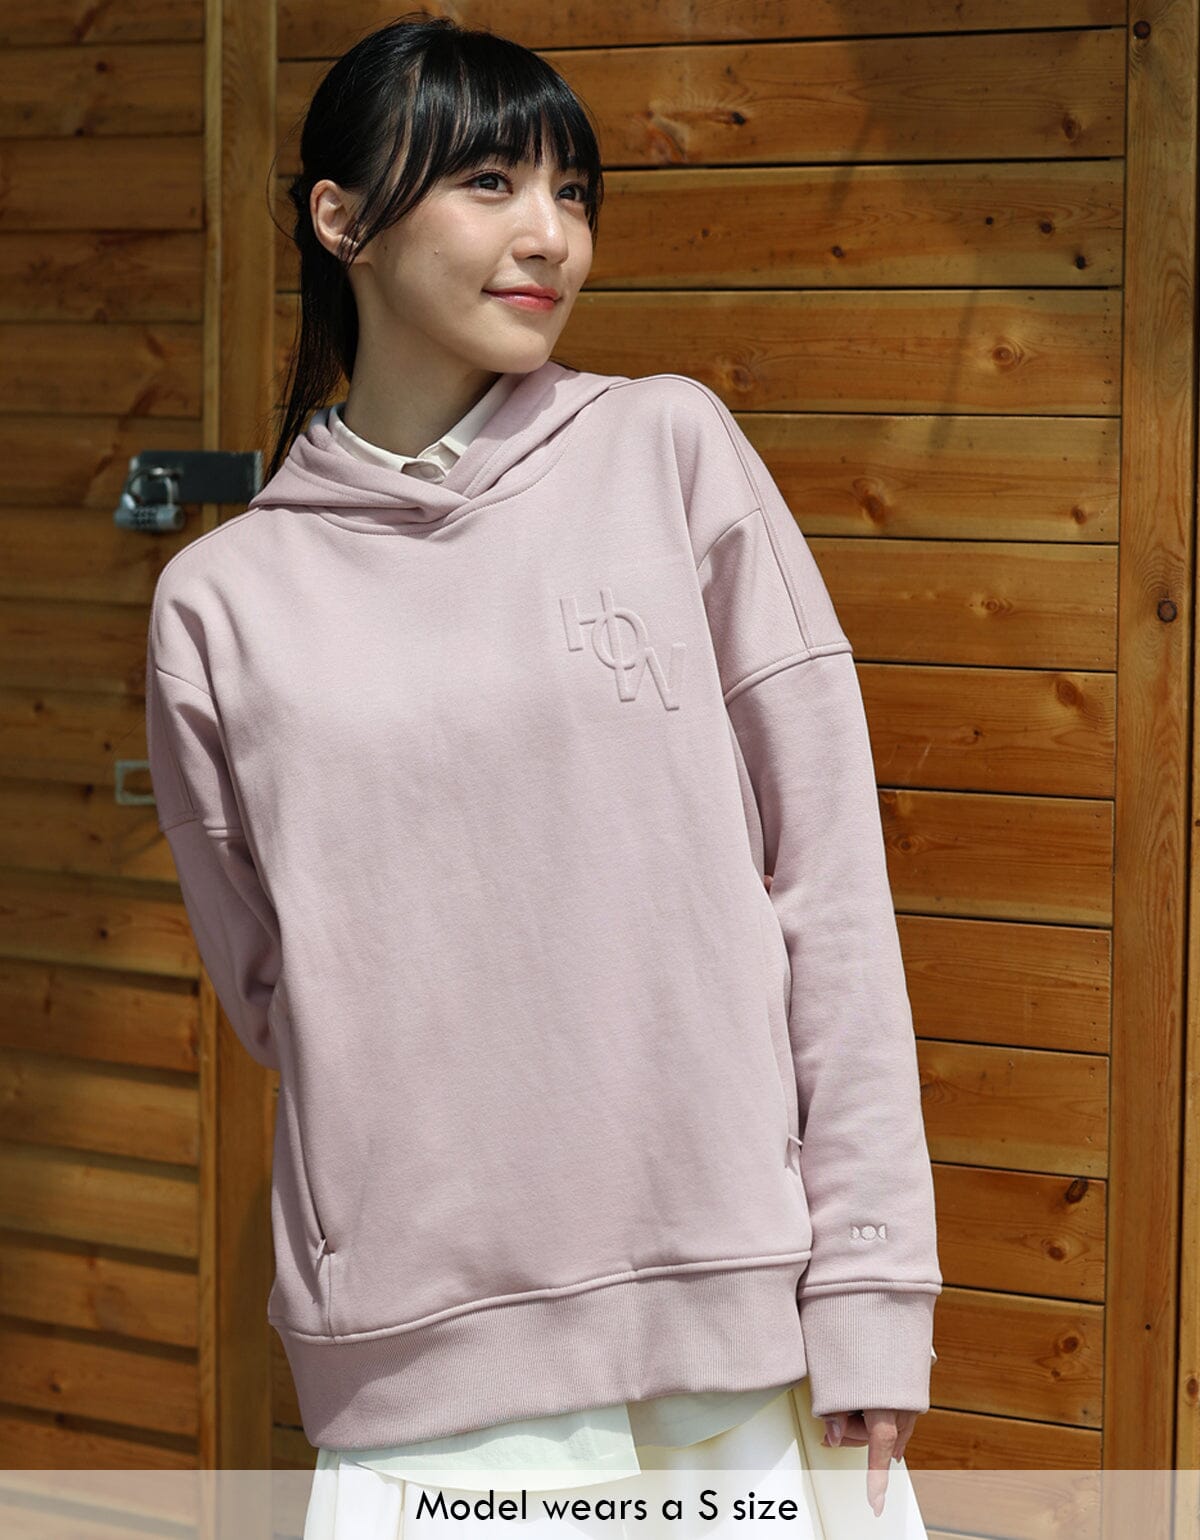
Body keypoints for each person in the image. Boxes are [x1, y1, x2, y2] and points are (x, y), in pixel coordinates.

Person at [143, 12, 942, 1537]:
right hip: (428, 1379)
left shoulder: (669, 453)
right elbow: (276, 990)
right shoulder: (221, 605)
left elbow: (829, 891)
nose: (549, 235)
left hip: (740, 1353)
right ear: (341, 219)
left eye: (573, 192)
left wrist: (871, 1281)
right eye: (491, 181)